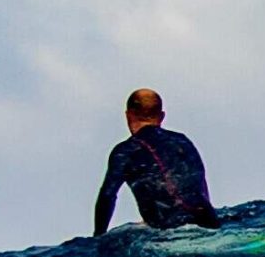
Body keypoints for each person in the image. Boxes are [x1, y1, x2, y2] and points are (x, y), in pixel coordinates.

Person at [93, 89, 219, 235]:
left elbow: (107, 196)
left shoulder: (125, 151)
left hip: (169, 230)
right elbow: (199, 181)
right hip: (209, 222)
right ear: (161, 116)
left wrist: (98, 237)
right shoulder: (182, 141)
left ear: (128, 115)